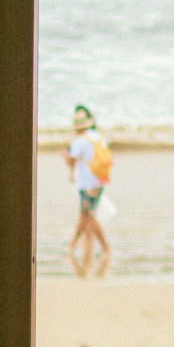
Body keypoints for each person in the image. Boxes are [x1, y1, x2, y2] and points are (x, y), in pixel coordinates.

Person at [65, 104, 113, 278]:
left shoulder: (79, 141)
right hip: (99, 182)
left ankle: (105, 248)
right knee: (85, 215)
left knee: (89, 216)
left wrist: (66, 156)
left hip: (87, 184)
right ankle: (75, 244)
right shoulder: (98, 137)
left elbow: (71, 160)